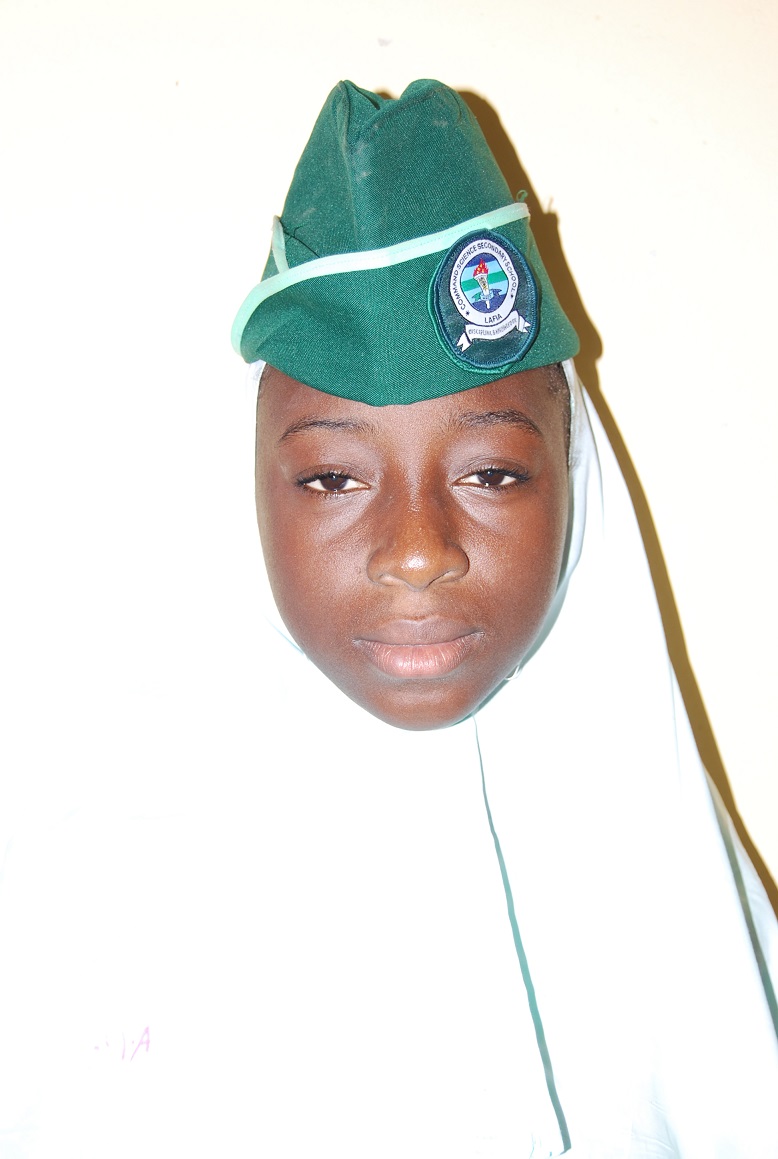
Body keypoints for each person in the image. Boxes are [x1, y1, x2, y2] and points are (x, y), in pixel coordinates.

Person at [0, 78, 775, 1159]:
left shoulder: (679, 912)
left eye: (493, 472)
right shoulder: (82, 908)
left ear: (577, 486)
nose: (418, 549)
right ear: (242, 497)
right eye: (331, 478)